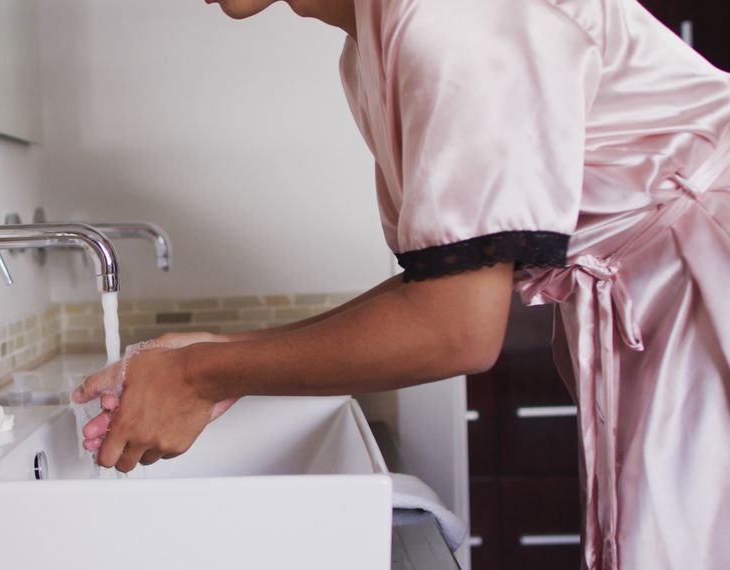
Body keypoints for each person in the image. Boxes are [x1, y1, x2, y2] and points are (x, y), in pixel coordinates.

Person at [72, 0, 730, 568]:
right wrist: (221, 362)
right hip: (666, 296)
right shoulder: (370, 46)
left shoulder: (448, 18)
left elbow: (455, 331)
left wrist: (201, 375)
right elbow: (443, 282)